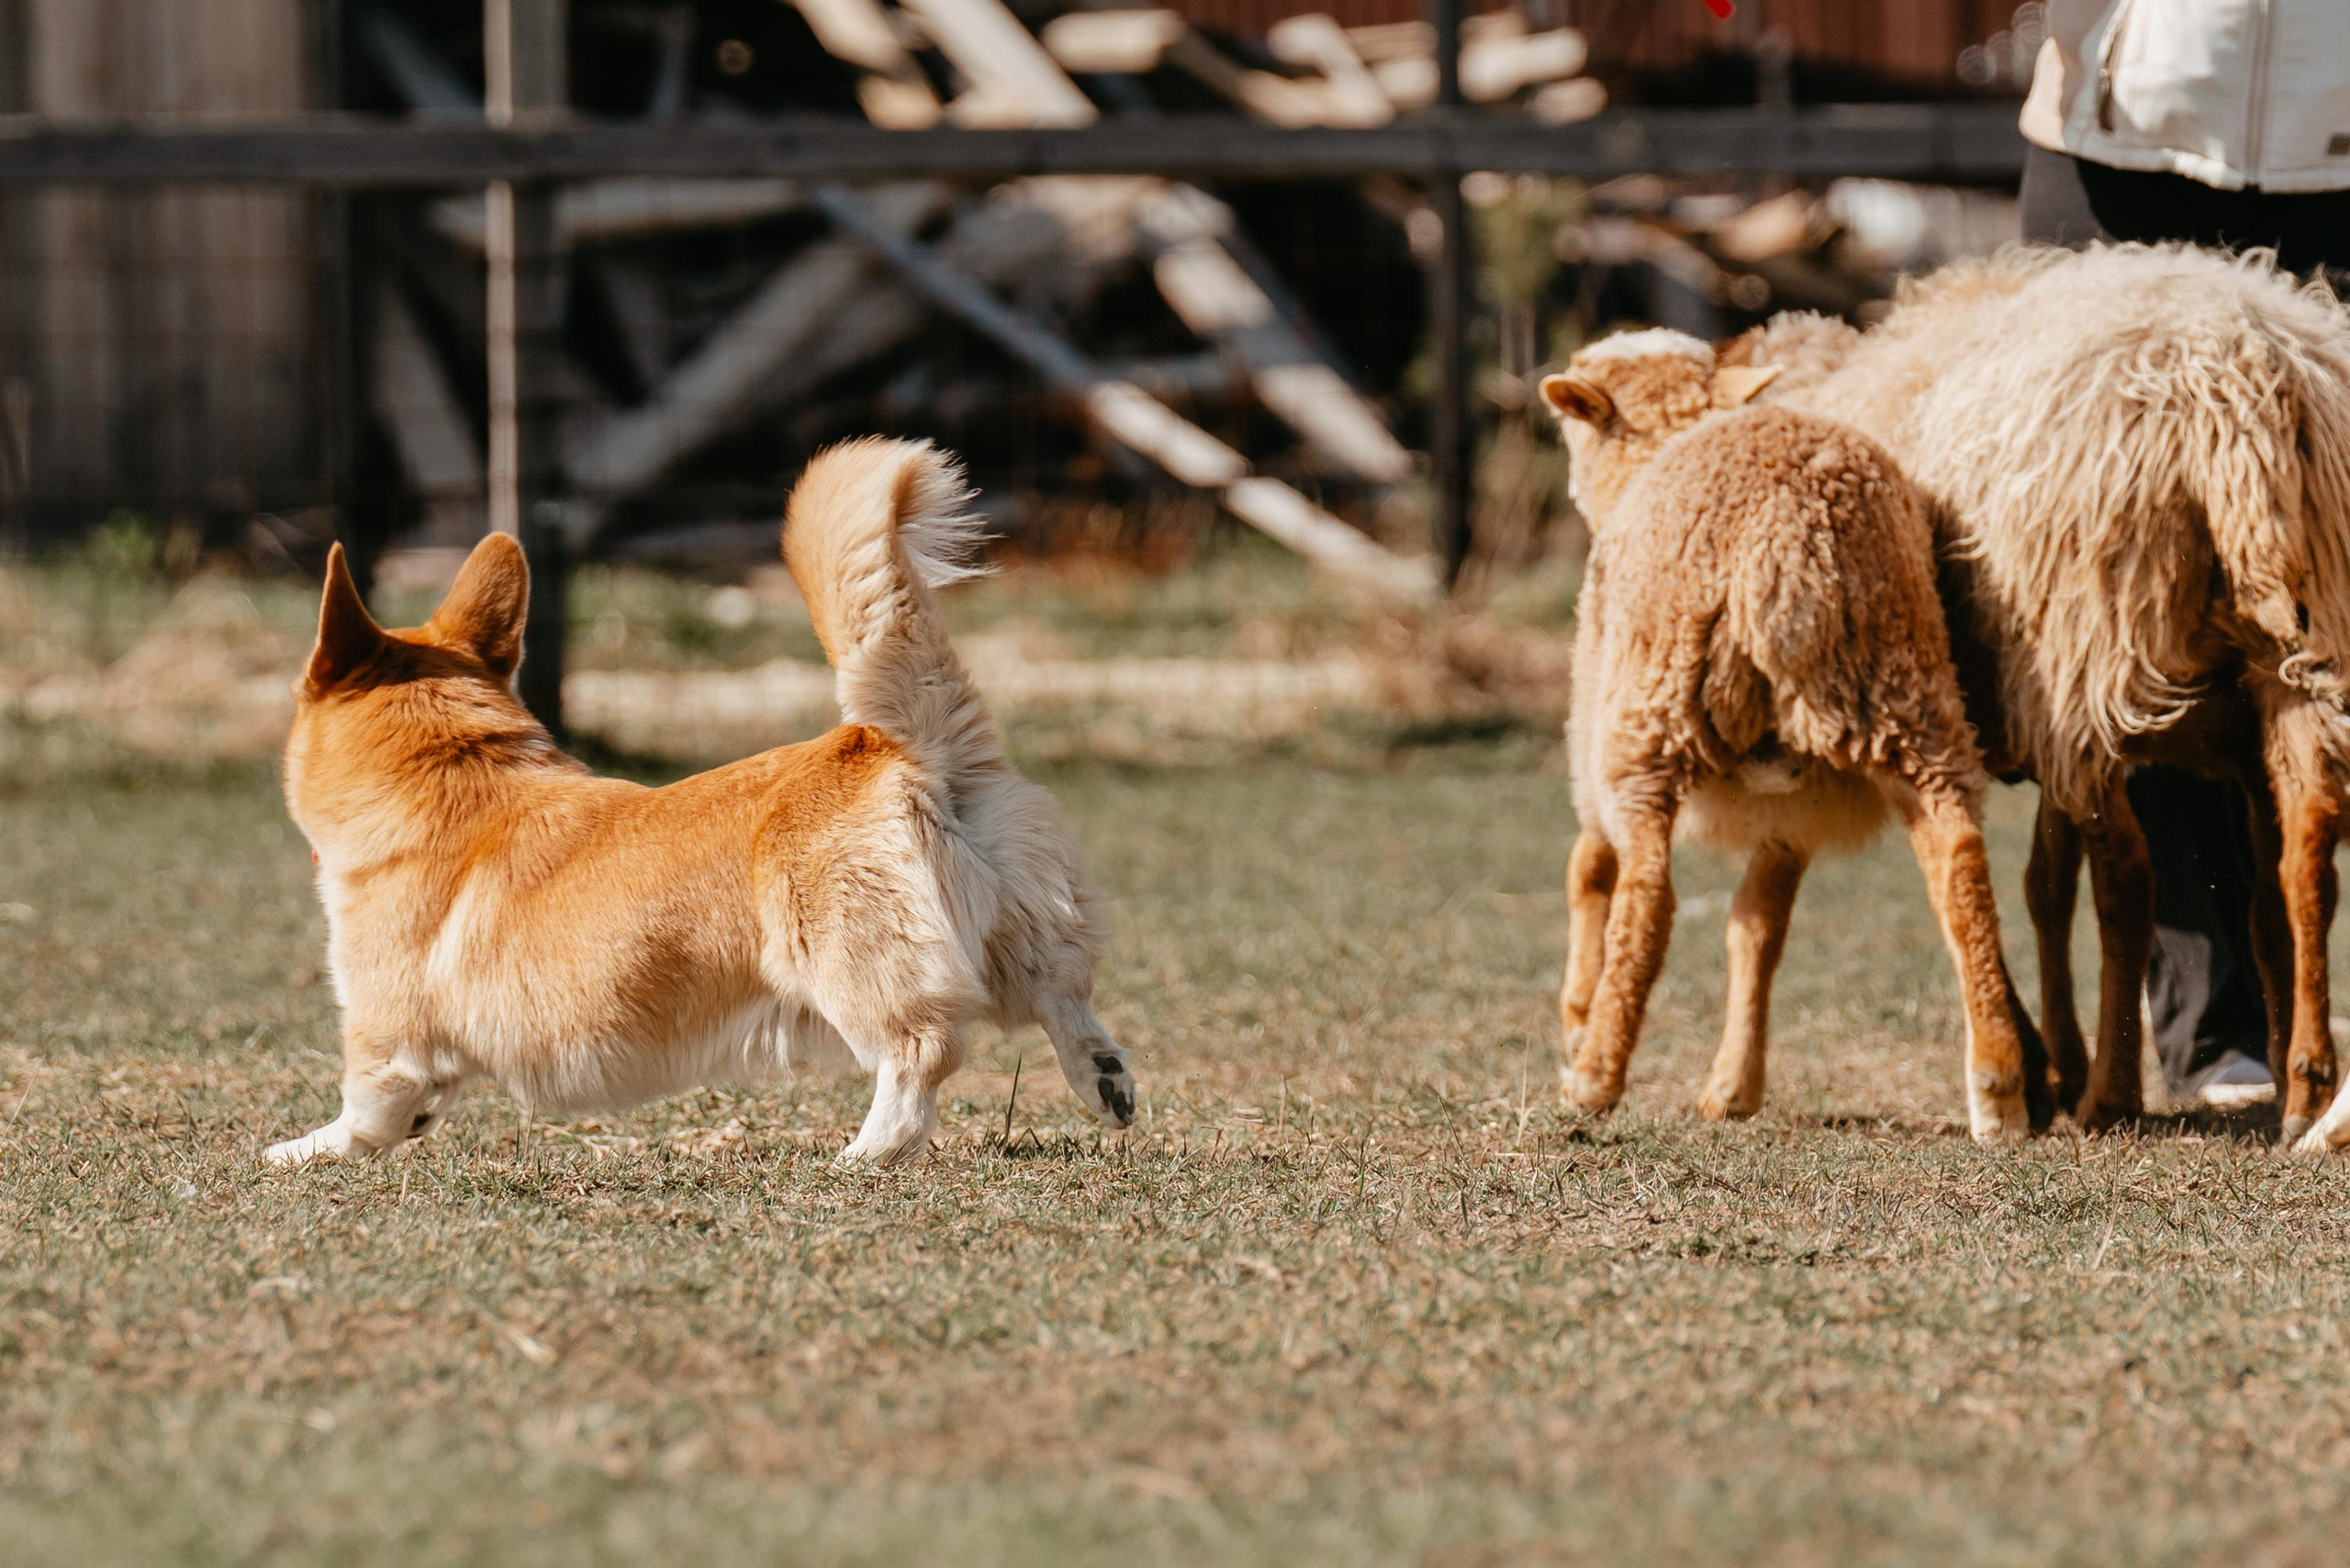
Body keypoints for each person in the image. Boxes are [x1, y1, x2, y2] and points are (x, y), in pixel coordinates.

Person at [2016, 1, 2350, 1109]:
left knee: (2322, 603)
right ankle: (2214, 1028)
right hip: (2120, 153)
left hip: (2335, 158)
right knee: (2139, 605)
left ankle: (2294, 1004)